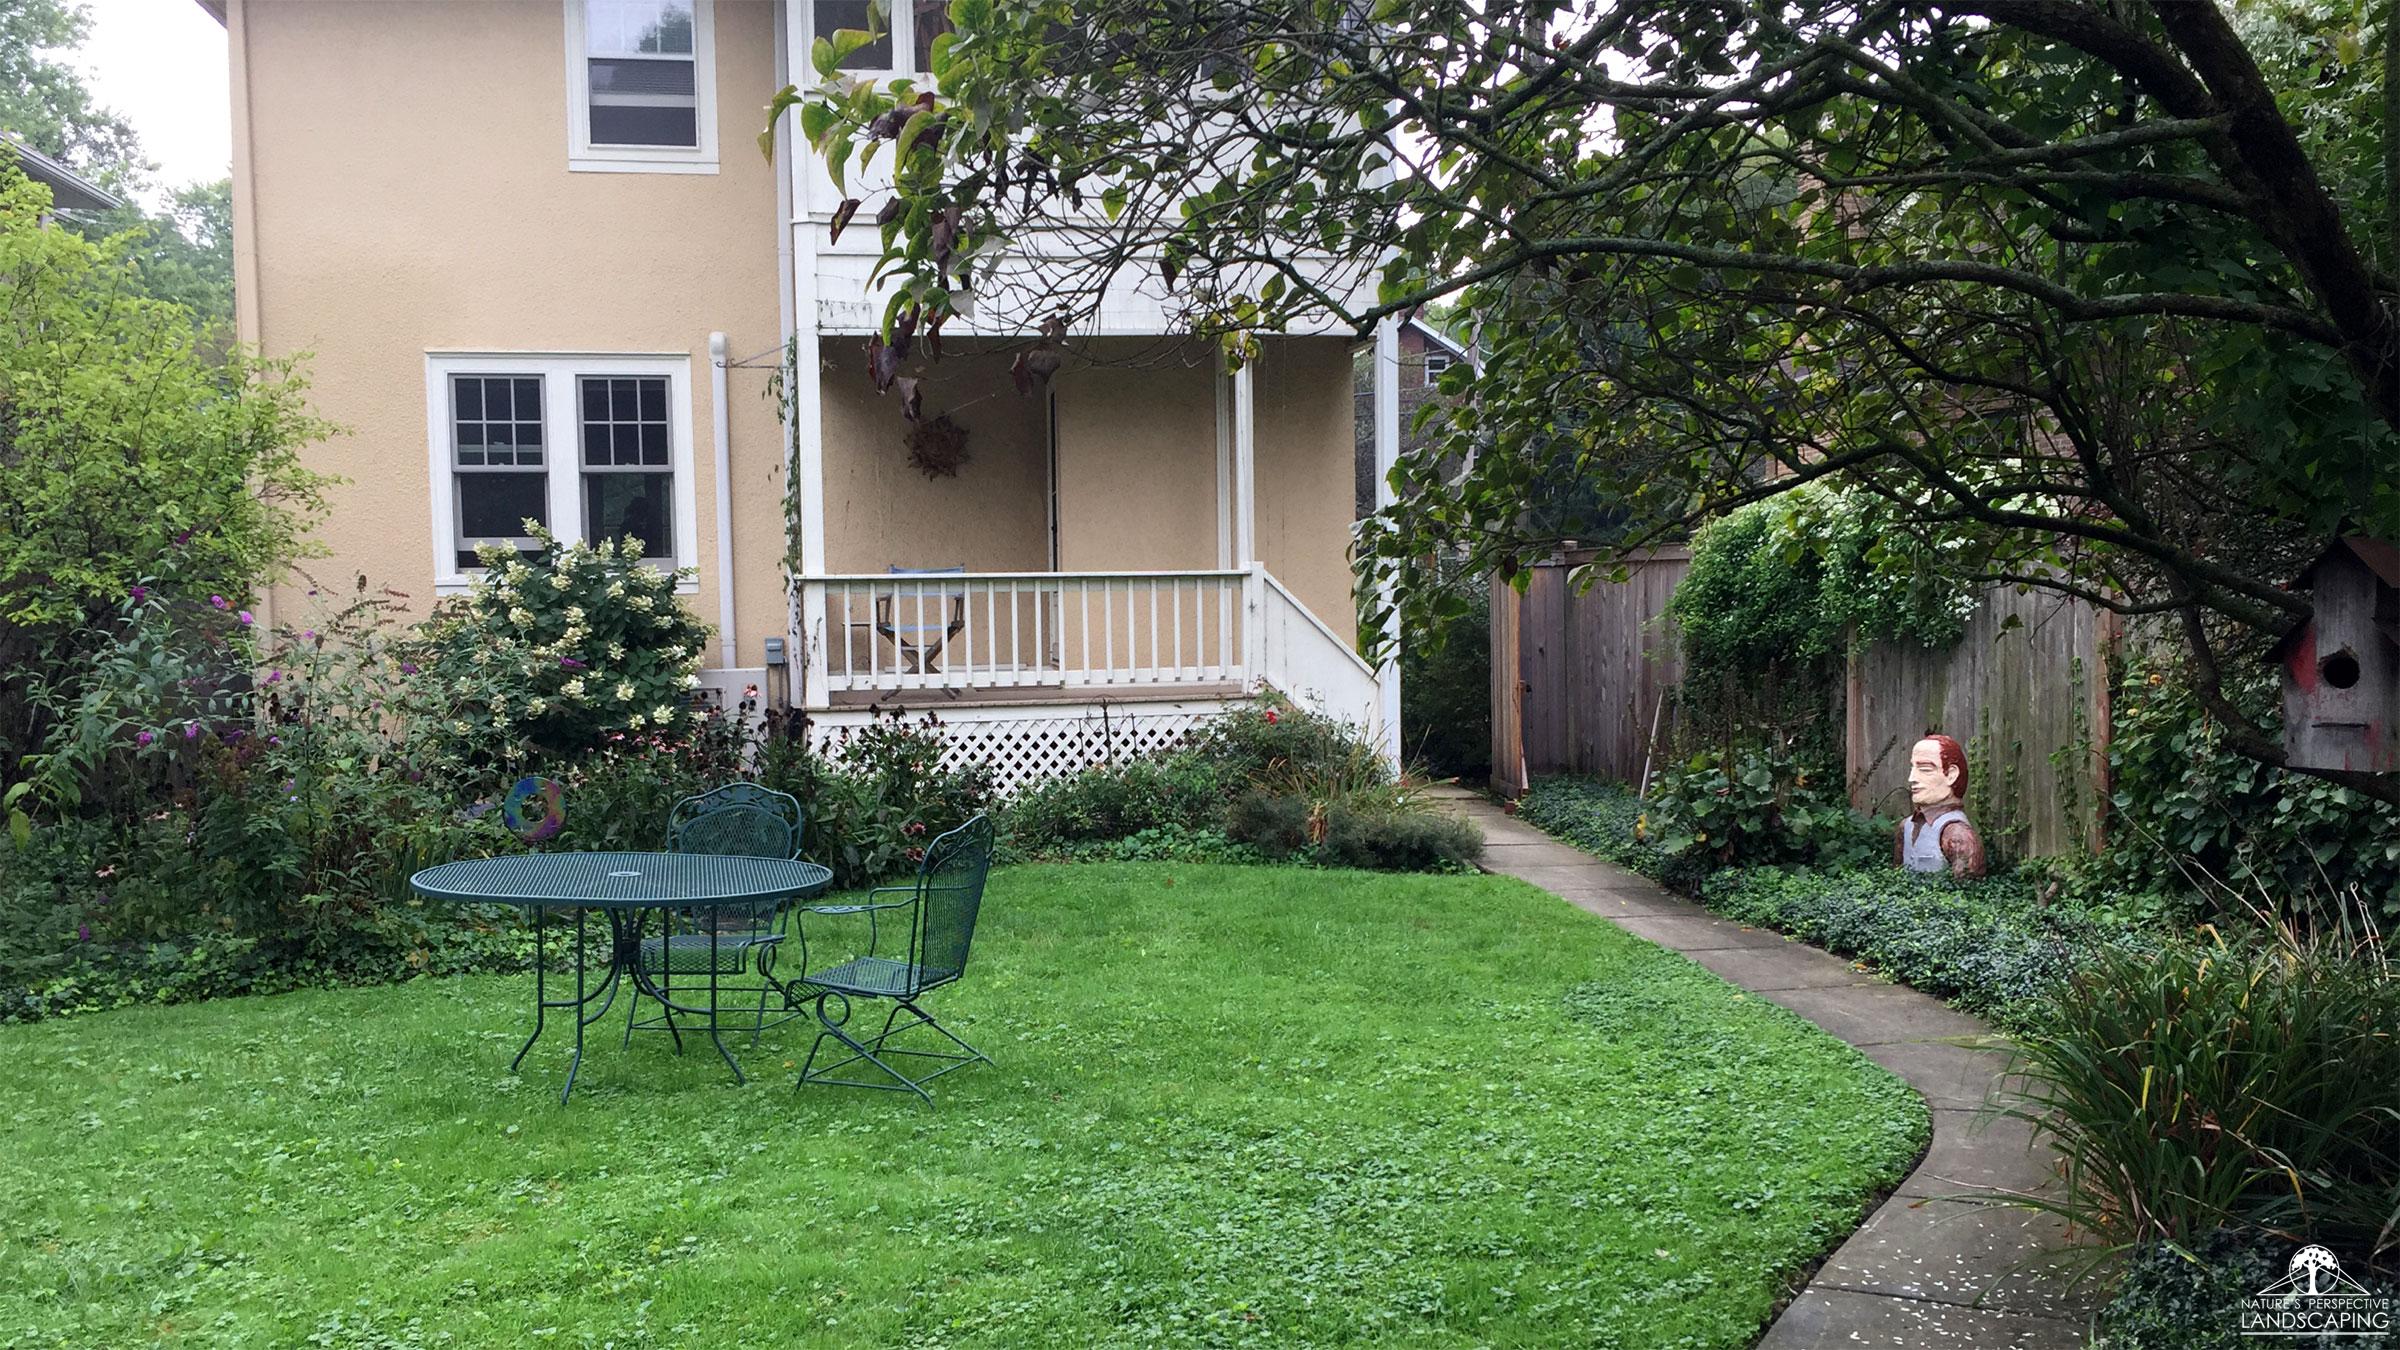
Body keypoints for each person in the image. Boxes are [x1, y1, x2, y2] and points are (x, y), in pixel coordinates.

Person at [1895, 733, 1985, 878]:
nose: (1912, 778)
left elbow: (1966, 891)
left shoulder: (1957, 833)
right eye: (1913, 768)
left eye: (1925, 770)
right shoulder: (1906, 827)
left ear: (1951, 775)